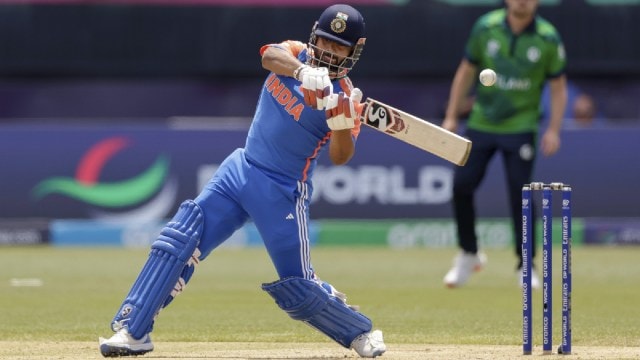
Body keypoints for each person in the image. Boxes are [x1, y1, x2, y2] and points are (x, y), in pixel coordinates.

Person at [98, 4, 386, 358]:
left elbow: (342, 156)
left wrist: (340, 121)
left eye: (340, 47)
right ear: (314, 37)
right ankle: (133, 330)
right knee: (178, 240)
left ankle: (360, 332)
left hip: (282, 190)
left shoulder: (344, 97)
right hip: (240, 169)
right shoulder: (296, 52)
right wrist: (302, 71)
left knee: (298, 287)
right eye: (326, 41)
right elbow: (269, 56)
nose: (330, 51)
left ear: (353, 51)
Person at [440, 0, 568, 288]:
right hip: (482, 123)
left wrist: (554, 129)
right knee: (462, 185)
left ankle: (526, 265)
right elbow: (466, 72)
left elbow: (558, 87)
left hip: (521, 127)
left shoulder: (547, 37)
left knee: (520, 195)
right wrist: (451, 115)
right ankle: (469, 253)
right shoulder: (486, 27)